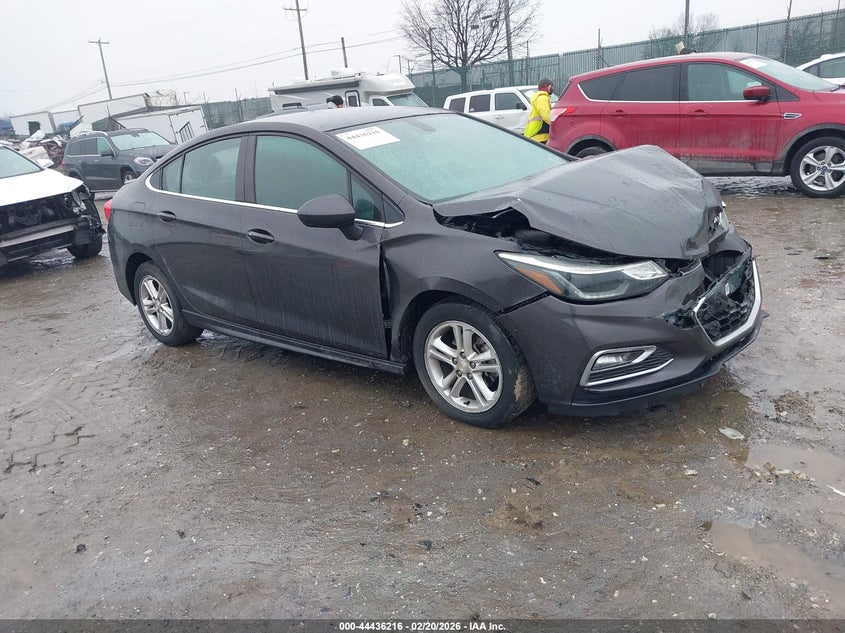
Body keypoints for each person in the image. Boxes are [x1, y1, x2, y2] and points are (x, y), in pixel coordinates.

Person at [523, 78, 553, 144]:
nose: (552, 89)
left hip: (536, 132)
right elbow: (546, 115)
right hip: (539, 134)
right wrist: (554, 124)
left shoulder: (540, 98)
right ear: (547, 87)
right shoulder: (542, 98)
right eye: (551, 86)